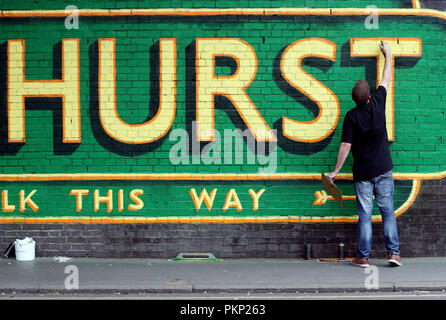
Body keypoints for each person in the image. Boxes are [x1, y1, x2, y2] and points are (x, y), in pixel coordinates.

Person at [327, 41, 402, 267]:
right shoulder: (379, 102)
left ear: (355, 99)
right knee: (388, 210)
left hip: (362, 174)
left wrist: (336, 171)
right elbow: (386, 78)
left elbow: (345, 147)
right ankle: (394, 254)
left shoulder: (351, 117)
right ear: (369, 95)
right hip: (383, 169)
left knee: (365, 215)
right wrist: (388, 53)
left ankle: (364, 257)